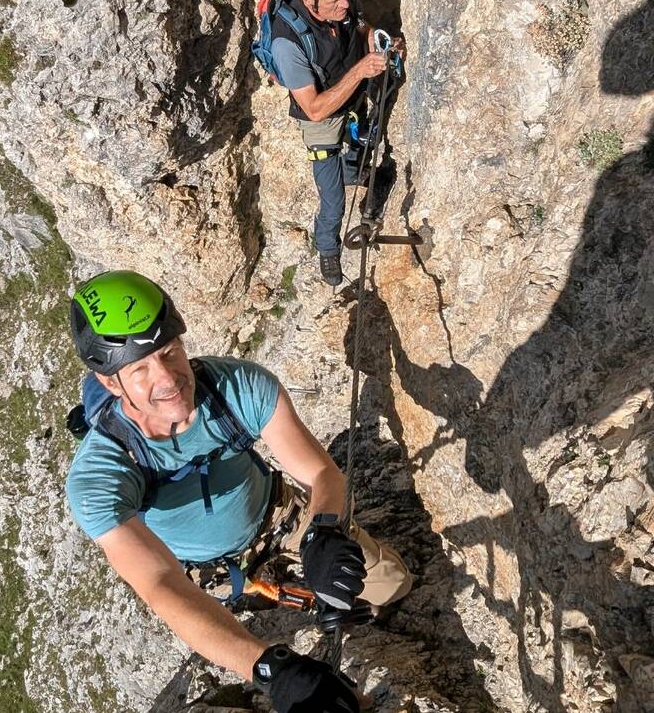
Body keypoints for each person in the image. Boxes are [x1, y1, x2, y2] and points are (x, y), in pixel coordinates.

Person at [65, 270, 412, 711]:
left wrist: (323, 531)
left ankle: (325, 589)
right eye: (141, 369)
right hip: (201, 570)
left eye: (170, 352)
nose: (169, 378)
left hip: (277, 516)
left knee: (392, 584)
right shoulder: (100, 476)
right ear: (110, 383)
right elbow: (159, 582)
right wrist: (271, 668)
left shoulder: (237, 387)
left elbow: (322, 475)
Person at [269, 0, 400, 287]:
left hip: (351, 94)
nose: (344, 2)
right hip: (323, 116)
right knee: (333, 199)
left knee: (359, 144)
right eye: (335, 0)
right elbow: (314, 109)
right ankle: (328, 248)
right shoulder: (288, 44)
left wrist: (375, 37)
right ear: (310, 1)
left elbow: (357, 25)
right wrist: (359, 71)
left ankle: (358, 172)